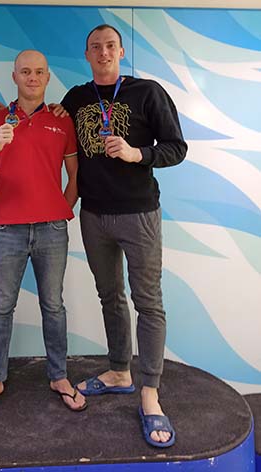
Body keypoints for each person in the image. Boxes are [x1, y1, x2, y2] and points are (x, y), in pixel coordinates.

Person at [61, 24, 187, 448]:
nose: (103, 52)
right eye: (95, 47)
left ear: (120, 51)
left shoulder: (146, 92)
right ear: (87, 54)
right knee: (110, 296)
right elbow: (51, 126)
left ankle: (149, 392)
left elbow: (177, 147)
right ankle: (119, 371)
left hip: (139, 214)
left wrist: (138, 154)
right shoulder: (76, 98)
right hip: (94, 215)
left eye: (110, 46)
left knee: (148, 302)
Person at [0, 49, 87, 415]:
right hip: (7, 229)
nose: (32, 78)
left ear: (47, 77)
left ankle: (59, 376)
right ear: (14, 76)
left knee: (54, 305)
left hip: (52, 229)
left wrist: (62, 211)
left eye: (39, 72)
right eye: (25, 72)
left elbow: (75, 176)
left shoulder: (62, 121)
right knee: (2, 306)